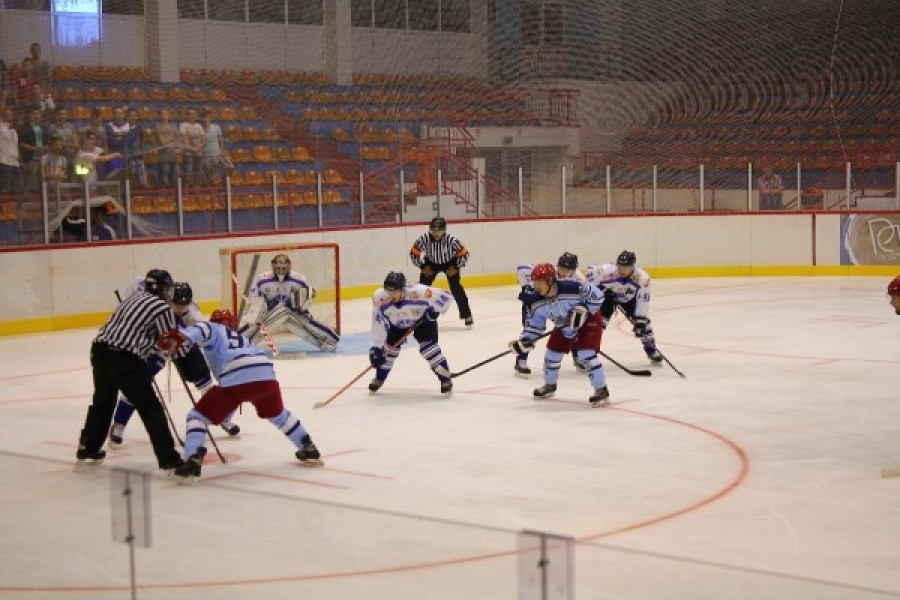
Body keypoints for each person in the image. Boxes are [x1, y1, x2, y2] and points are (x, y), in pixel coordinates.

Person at [157, 308, 323, 482]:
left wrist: (180, 335)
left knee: (197, 417)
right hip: (266, 375)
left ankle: (192, 460)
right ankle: (308, 446)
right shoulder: (243, 339)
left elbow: (203, 329)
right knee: (278, 414)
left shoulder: (214, 329)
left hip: (236, 376)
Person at [74, 270, 183, 471]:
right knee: (150, 407)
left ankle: (88, 447)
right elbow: (167, 339)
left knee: (103, 401)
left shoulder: (131, 300)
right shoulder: (161, 307)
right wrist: (177, 346)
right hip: (125, 358)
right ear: (161, 289)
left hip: (99, 350)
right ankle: (169, 459)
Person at [108, 280, 239, 446]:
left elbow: (203, 333)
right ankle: (118, 425)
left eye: (184, 305)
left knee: (206, 384)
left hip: (185, 348)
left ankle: (222, 417)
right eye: (177, 304)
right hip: (156, 351)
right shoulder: (159, 309)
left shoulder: (193, 312)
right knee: (136, 386)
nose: (180, 308)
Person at [509, 263, 610, 407]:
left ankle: (601, 390)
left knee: (585, 353)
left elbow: (598, 297)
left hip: (589, 319)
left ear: (550, 280)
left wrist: (584, 309)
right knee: (552, 353)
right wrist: (525, 341)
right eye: (534, 282)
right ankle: (550, 386)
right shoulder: (536, 302)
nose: (536, 286)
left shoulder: (573, 287)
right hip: (564, 324)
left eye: (539, 282)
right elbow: (535, 326)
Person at [368, 271, 454, 395]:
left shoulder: (419, 292)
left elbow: (447, 297)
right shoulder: (380, 297)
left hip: (422, 321)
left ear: (402, 289)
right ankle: (379, 379)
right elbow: (378, 321)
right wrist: (377, 346)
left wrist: (434, 311)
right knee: (388, 351)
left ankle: (445, 379)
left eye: (394, 291)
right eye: (388, 291)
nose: (391, 294)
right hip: (397, 323)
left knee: (429, 349)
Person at [240, 254, 339, 353]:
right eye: (278, 268)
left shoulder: (298, 279)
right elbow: (255, 298)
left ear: (289, 267)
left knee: (303, 325)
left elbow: (308, 296)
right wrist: (256, 312)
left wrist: (302, 303)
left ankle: (330, 340)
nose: (281, 271)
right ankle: (240, 341)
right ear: (273, 267)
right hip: (271, 311)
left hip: (293, 311)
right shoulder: (262, 280)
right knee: (254, 323)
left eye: (284, 268)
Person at [513, 252, 587, 376]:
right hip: (540, 304)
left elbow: (584, 299)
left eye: (568, 270)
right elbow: (529, 283)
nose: (563, 272)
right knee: (532, 330)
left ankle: (577, 357)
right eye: (562, 268)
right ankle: (521, 359)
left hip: (560, 305)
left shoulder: (579, 279)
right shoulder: (549, 274)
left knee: (572, 328)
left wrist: (577, 311)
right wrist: (529, 295)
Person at [586, 250, 663, 363]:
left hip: (630, 300)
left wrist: (640, 321)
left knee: (644, 326)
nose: (622, 270)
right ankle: (587, 351)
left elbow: (643, 301)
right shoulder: (606, 271)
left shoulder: (642, 278)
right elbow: (588, 281)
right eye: (620, 267)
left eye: (626, 268)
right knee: (598, 323)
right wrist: (600, 292)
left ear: (633, 267)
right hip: (607, 299)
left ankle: (651, 350)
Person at [409, 216, 473, 327]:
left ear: (444, 230)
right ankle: (418, 315)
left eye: (439, 230)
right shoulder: (424, 239)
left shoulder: (451, 240)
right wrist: (423, 266)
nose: (436, 233)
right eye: (433, 230)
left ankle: (467, 315)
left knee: (456, 288)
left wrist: (456, 267)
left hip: (450, 263)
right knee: (422, 288)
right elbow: (414, 253)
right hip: (431, 263)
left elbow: (464, 253)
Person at [0, 106, 23, 194]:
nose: (9, 116)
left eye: (10, 115)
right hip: (4, 162)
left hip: (15, 162)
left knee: (18, 189)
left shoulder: (14, 129)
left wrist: (20, 159)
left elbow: (16, 145)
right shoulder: (0, 127)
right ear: (2, 115)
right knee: (5, 190)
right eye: (7, 114)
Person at [154, 108, 179, 187]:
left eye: (166, 114)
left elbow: (178, 138)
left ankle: (173, 193)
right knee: (165, 174)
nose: (164, 116)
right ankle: (164, 193)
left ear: (169, 116)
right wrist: (172, 137)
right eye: (163, 114)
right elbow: (162, 142)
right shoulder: (158, 126)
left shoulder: (173, 126)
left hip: (173, 154)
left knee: (175, 174)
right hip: (163, 155)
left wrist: (168, 138)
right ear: (160, 116)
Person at [179, 108, 203, 185]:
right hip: (188, 153)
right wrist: (193, 149)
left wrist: (198, 147)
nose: (192, 116)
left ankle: (197, 190)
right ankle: (186, 191)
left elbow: (202, 140)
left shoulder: (199, 126)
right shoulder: (183, 125)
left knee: (198, 171)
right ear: (187, 116)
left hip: (198, 152)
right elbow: (184, 139)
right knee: (188, 171)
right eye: (190, 114)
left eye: (194, 114)